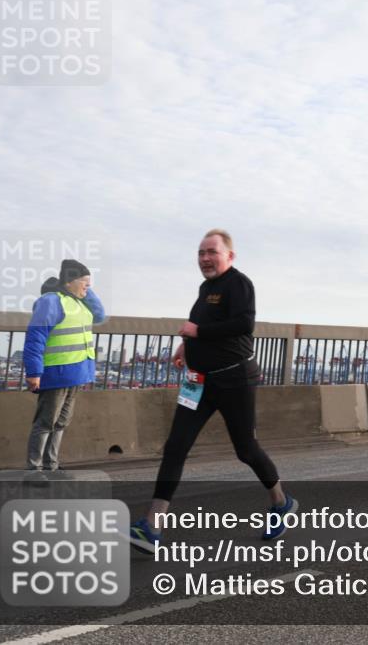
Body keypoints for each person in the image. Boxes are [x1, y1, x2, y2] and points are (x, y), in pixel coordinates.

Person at [130, 230, 295, 551]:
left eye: (212, 252)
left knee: (246, 449)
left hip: (234, 381)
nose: (205, 258)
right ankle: (151, 526)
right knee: (175, 447)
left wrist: (199, 331)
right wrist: (186, 345)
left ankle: (281, 502)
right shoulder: (206, 288)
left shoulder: (239, 284)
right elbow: (199, 325)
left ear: (229, 256)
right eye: (201, 252)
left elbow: (244, 324)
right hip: (199, 382)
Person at [22, 260, 106, 478]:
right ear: (69, 282)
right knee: (45, 423)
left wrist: (84, 289)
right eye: (84, 282)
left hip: (76, 373)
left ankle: (51, 465)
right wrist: (33, 372)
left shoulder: (80, 303)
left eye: (90, 282)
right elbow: (35, 337)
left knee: (60, 423)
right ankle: (34, 470)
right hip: (56, 372)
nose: (89, 286)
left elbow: (99, 314)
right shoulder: (51, 301)